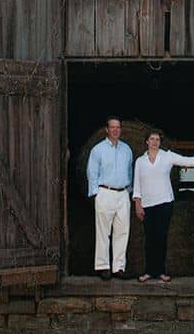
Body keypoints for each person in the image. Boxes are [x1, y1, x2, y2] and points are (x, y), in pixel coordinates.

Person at [132, 132, 194, 282]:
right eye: (152, 139)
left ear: (160, 142)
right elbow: (137, 184)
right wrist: (137, 204)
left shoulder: (167, 156)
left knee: (161, 238)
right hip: (147, 204)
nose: (155, 142)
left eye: (157, 139)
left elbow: (189, 161)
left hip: (165, 202)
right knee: (149, 239)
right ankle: (148, 271)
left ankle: (160, 271)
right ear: (146, 141)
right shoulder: (140, 161)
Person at [86, 116, 134, 279]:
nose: (115, 130)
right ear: (106, 130)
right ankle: (103, 266)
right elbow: (91, 172)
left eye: (118, 127)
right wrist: (96, 194)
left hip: (123, 194)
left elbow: (130, 172)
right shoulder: (98, 150)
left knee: (122, 231)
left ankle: (118, 267)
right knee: (103, 231)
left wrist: (129, 190)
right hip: (105, 192)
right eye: (112, 127)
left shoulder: (127, 149)